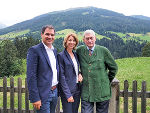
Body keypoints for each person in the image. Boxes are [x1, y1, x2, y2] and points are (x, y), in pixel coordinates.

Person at [76, 30, 118, 113]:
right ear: (83, 40)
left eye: (91, 38)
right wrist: (79, 73)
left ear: (95, 38)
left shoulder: (103, 51)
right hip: (86, 91)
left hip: (102, 91)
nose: (89, 40)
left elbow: (114, 67)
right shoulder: (79, 50)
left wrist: (106, 80)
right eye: (87, 39)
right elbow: (73, 64)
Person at [26, 25, 59, 113]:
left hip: (54, 91)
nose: (50, 37)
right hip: (43, 94)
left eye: (52, 35)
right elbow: (31, 76)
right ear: (42, 34)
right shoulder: (34, 50)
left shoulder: (54, 51)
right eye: (47, 34)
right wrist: (35, 98)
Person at [58, 33, 83, 113]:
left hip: (77, 89)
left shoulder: (75, 55)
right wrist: (68, 94)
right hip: (67, 90)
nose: (72, 42)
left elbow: (75, 69)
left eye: (74, 40)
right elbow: (61, 76)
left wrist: (79, 74)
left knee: (75, 111)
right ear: (66, 42)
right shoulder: (61, 56)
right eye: (70, 40)